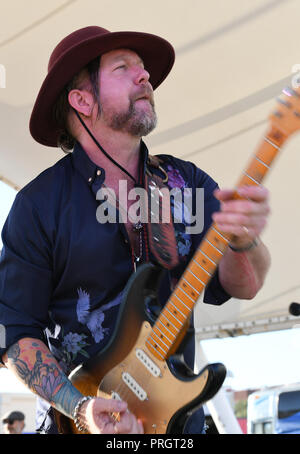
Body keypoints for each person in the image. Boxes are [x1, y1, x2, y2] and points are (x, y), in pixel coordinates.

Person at [0, 26, 271, 434]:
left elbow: (244, 286)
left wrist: (244, 239)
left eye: (143, 69)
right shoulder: (39, 206)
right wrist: (79, 408)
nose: (144, 76)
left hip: (177, 428)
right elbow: (17, 334)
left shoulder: (187, 183)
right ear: (82, 100)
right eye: (124, 67)